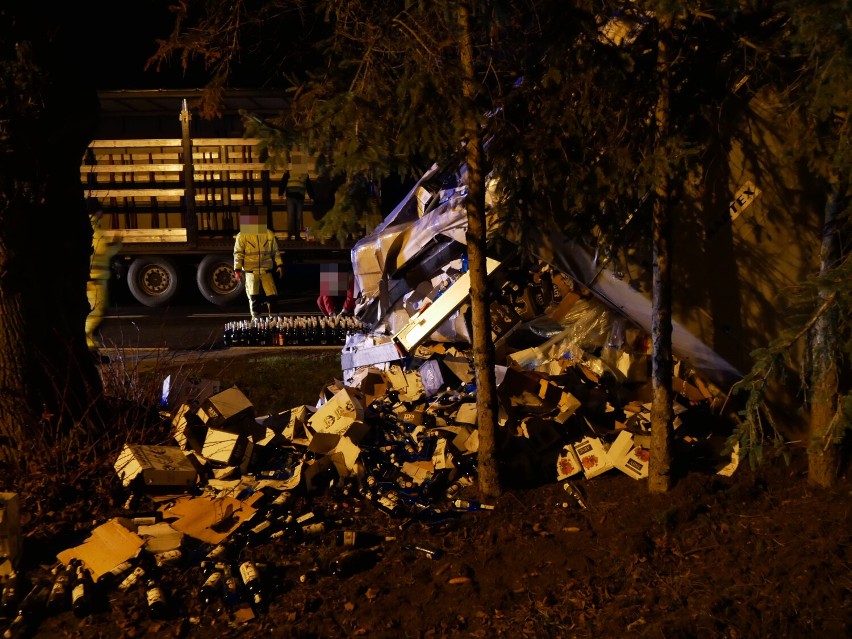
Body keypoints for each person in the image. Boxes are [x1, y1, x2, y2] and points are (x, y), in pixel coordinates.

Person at [233, 208, 285, 320]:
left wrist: (279, 265)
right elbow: (238, 253)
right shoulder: (242, 235)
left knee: (272, 295)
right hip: (251, 272)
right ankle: (256, 318)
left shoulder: (268, 234)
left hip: (266, 271)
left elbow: (275, 251)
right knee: (253, 296)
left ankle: (274, 318)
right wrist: (237, 269)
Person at [86, 197, 122, 356]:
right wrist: (117, 244)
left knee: (95, 313)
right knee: (97, 313)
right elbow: (102, 252)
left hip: (92, 278)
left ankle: (91, 348)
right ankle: (88, 347)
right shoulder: (96, 231)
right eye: (101, 210)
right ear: (97, 212)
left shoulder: (89, 227)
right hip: (96, 279)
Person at [278, 167, 314, 240]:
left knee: (297, 217)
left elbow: (308, 185)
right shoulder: (290, 171)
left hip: (299, 197)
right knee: (291, 216)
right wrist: (280, 193)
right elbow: (284, 181)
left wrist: (311, 196)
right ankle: (290, 235)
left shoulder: (305, 174)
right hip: (291, 197)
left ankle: (297, 235)